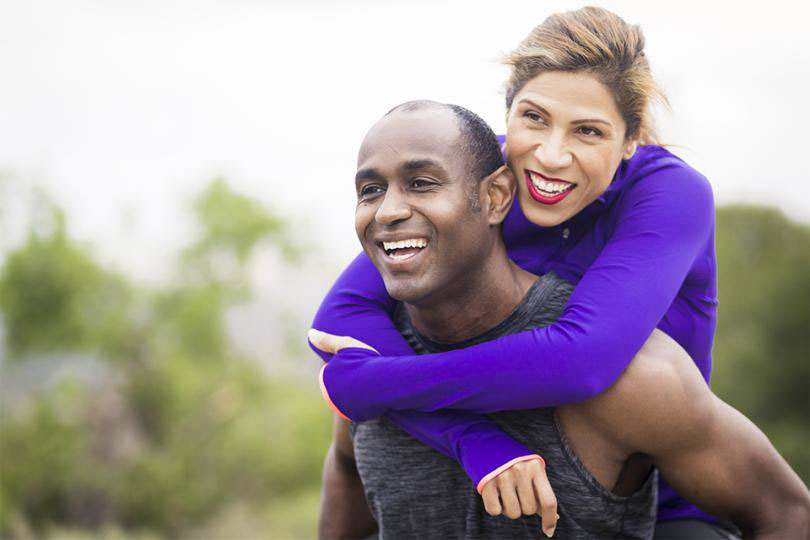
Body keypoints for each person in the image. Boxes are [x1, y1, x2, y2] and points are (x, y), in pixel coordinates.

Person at [310, 6, 785, 537]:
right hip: (498, 447)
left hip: (670, 501)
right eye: (534, 118)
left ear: (630, 142)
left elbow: (581, 360)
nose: (552, 156)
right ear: (507, 114)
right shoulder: (488, 179)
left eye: (588, 131)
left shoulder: (668, 194)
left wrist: (374, 383)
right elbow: (340, 317)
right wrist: (475, 442)